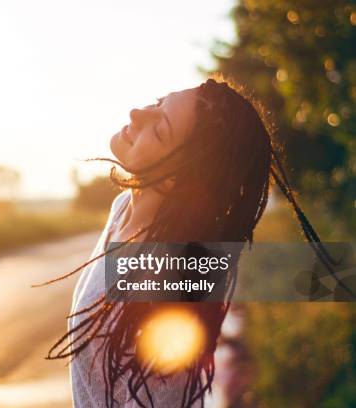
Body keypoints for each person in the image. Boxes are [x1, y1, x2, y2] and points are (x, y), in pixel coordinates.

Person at [33, 77, 350, 407]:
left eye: (159, 130)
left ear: (178, 179)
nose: (138, 113)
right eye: (157, 103)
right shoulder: (124, 209)